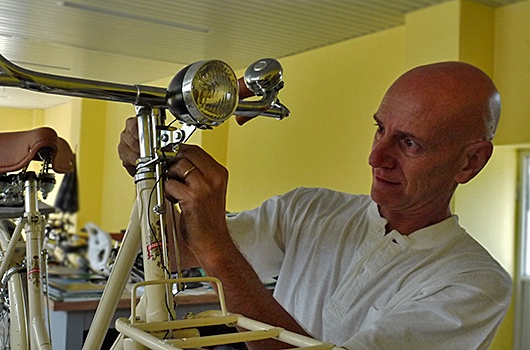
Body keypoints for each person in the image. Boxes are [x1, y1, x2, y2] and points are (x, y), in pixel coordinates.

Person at [117, 61, 512, 349]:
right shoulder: (312, 210)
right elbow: (177, 248)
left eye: (409, 143)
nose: (377, 158)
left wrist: (218, 251)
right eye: (380, 130)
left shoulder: (473, 283)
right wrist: (148, 173)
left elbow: (211, 250)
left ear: (470, 161)